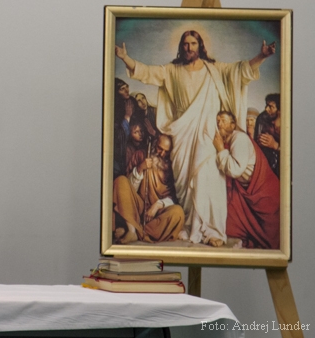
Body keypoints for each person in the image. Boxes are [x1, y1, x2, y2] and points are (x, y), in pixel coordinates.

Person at [115, 30, 275, 247]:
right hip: (182, 133)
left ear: (200, 46)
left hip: (208, 132)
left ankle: (213, 230)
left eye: (193, 43)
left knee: (209, 178)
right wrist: (125, 58)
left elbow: (240, 70)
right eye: (185, 44)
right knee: (184, 181)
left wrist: (262, 56)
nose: (189, 47)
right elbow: (147, 72)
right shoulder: (172, 70)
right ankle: (190, 225)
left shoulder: (214, 69)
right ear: (181, 47)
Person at [213, 111, 280, 249]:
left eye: (223, 120)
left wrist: (220, 150)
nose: (219, 124)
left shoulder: (240, 139)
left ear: (233, 125)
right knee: (231, 223)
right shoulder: (227, 140)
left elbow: (235, 169)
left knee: (271, 233)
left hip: (263, 191)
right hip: (245, 191)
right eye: (218, 121)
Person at [113, 134, 185, 244]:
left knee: (178, 213)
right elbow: (129, 189)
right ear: (155, 143)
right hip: (138, 208)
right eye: (160, 148)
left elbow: (172, 198)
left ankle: (136, 231)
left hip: (158, 214)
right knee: (120, 181)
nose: (162, 154)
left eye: (166, 152)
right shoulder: (140, 155)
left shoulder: (170, 167)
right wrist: (140, 168)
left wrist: (157, 205)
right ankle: (131, 230)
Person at [113, 78, 139, 179]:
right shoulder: (114, 106)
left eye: (126, 87)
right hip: (120, 153)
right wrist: (127, 117)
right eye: (122, 89)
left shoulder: (131, 102)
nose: (126, 90)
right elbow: (118, 136)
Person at [254, 94, 281, 177]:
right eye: (266, 105)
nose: (266, 109)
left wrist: (275, 145)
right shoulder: (262, 118)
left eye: (271, 107)